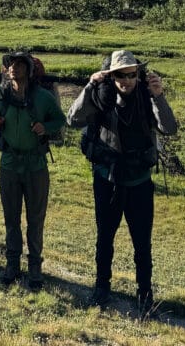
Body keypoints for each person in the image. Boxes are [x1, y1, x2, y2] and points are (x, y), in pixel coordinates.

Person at [66, 50, 177, 318]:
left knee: (142, 242)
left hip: (139, 181)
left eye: (131, 74)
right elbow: (72, 119)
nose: (126, 80)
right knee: (105, 237)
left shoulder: (147, 96)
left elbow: (169, 128)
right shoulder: (100, 96)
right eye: (120, 75)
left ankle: (145, 294)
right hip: (107, 179)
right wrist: (90, 85)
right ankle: (101, 287)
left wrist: (159, 96)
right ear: (111, 75)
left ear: (138, 74)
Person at [0, 51, 66, 290]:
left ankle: (35, 267)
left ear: (29, 70)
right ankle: (12, 265)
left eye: (20, 65)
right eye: (11, 65)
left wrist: (45, 127)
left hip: (36, 165)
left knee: (35, 218)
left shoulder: (43, 97)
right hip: (9, 163)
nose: (14, 68)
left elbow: (60, 120)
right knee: (11, 218)